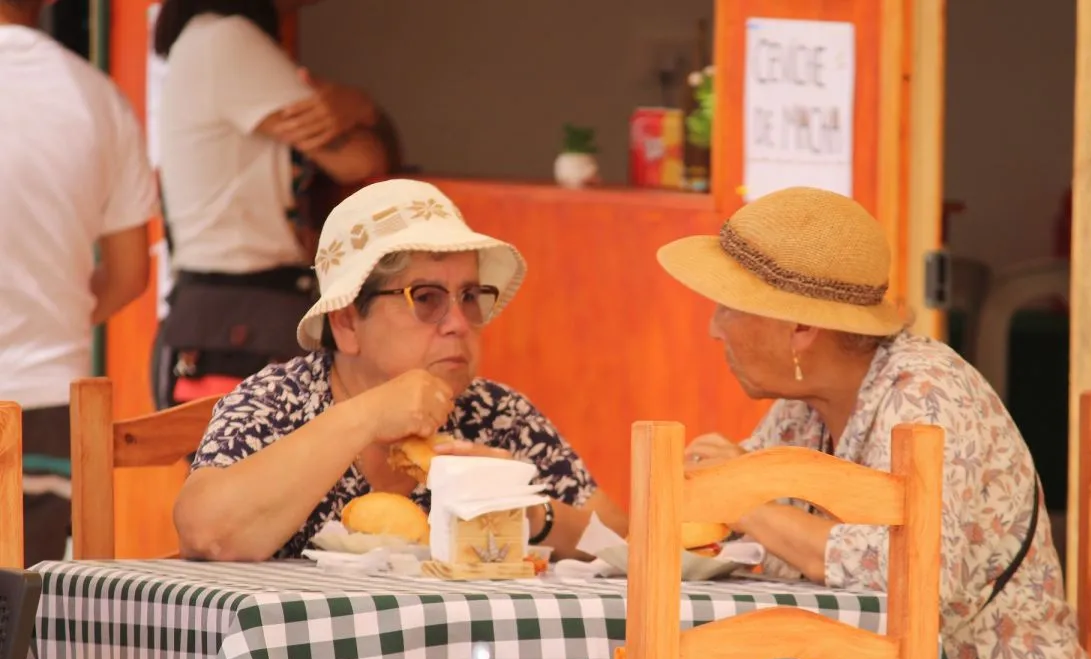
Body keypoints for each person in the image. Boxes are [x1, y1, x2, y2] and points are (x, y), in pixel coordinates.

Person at [657, 187, 1091, 659]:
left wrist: (747, 501)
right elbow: (746, 522)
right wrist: (714, 496)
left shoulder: (928, 397)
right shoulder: (806, 405)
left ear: (802, 326)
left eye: (729, 306)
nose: (714, 328)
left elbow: (916, 576)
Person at [175, 179, 628, 561]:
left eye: (470, 297)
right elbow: (206, 533)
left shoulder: (494, 413)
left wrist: (526, 513)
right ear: (346, 322)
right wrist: (368, 416)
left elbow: (624, 545)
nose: (458, 323)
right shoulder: (280, 400)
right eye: (426, 298)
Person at [152, 0, 396, 408]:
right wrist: (359, 106)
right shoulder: (226, 39)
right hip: (244, 322)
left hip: (216, 319)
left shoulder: (203, 39)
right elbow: (360, 159)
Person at [0, 0, 158, 566]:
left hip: (44, 396)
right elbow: (130, 272)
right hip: (46, 403)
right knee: (17, 611)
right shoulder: (98, 98)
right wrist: (53, 311)